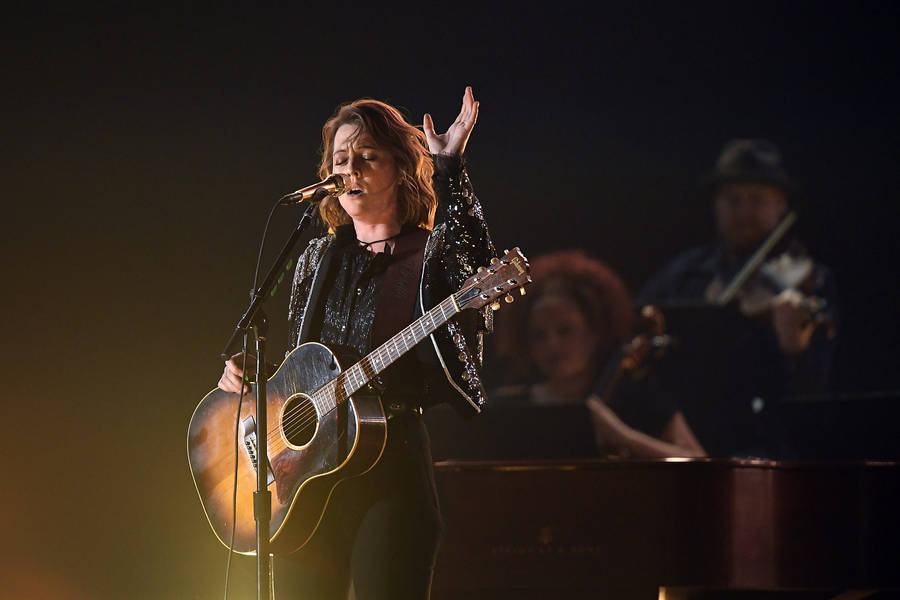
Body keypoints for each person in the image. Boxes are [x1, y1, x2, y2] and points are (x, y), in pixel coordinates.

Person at [217, 87, 495, 599]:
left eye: (366, 158)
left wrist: (450, 166)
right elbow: (304, 365)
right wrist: (253, 383)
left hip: (389, 473)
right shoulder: (317, 257)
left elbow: (474, 267)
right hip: (305, 480)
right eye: (340, 159)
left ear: (401, 170)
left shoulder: (427, 256)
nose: (349, 170)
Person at [637, 139, 838, 458]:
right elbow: (636, 323)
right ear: (716, 205)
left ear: (781, 205)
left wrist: (796, 349)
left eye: (757, 200)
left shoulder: (813, 282)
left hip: (767, 448)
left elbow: (815, 395)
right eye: (733, 200)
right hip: (684, 437)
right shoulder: (684, 274)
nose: (744, 212)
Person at [492, 249, 706, 459]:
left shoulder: (637, 395)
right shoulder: (514, 406)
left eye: (565, 330)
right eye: (539, 335)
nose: (552, 345)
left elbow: (698, 461)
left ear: (594, 332)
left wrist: (623, 436)